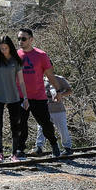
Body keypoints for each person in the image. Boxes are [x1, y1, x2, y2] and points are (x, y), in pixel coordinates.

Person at [16, 28, 63, 158]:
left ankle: (54, 144)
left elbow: (50, 75)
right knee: (21, 124)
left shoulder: (41, 55)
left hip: (38, 96)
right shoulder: (15, 55)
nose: (21, 41)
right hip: (20, 96)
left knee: (45, 123)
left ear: (31, 39)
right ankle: (20, 149)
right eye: (19, 39)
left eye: (23, 39)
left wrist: (57, 90)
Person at [0, 35, 28, 163]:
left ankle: (14, 154)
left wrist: (25, 98)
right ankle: (0, 154)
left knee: (15, 126)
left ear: (10, 47)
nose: (4, 50)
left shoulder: (16, 61)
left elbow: (21, 82)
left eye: (6, 47)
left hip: (13, 97)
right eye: (1, 48)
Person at [35, 74, 73, 156]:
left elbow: (69, 90)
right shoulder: (40, 79)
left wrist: (60, 95)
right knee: (41, 129)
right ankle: (39, 148)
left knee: (62, 129)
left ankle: (67, 148)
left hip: (58, 109)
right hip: (45, 110)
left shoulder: (59, 79)